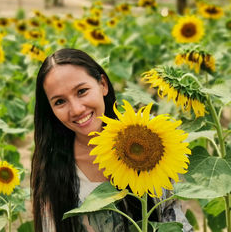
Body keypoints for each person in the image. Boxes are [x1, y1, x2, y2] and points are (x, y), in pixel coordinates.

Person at [31, 48, 193, 232]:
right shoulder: (53, 170)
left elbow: (173, 220)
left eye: (82, 91)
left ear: (103, 84)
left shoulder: (152, 142)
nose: (76, 109)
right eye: (60, 102)